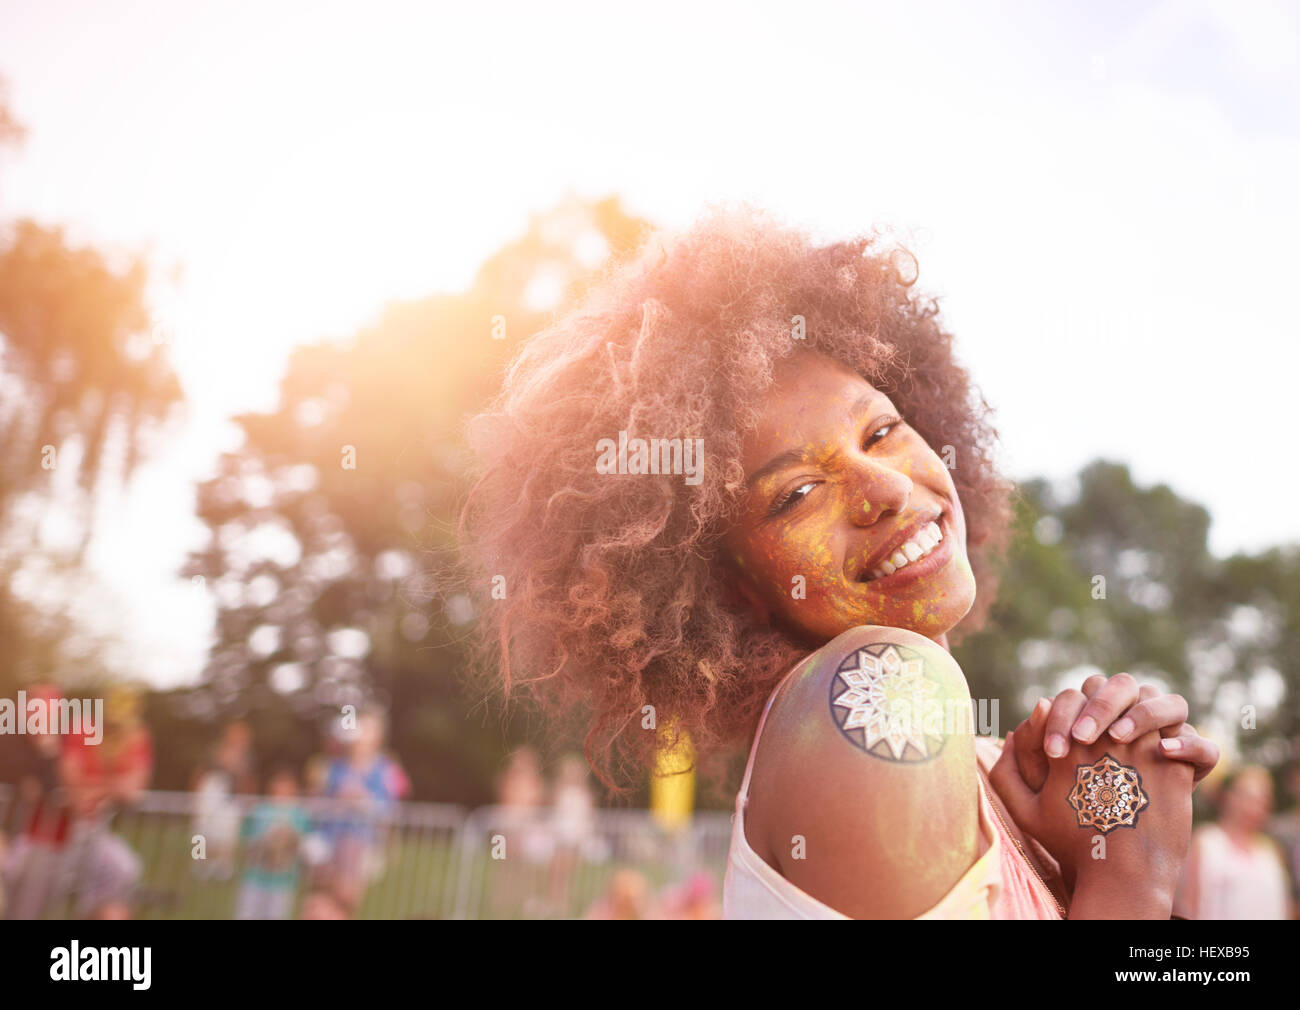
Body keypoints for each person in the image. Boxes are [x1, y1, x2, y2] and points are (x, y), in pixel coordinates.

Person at [458, 207, 1221, 918]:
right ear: (733, 590)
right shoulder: (882, 700)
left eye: (882, 431)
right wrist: (1135, 872)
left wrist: (1079, 846)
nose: (883, 488)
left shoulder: (971, 755)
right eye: (796, 494)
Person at [58, 683, 153, 919]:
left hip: (99, 829)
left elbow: (133, 791)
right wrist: (112, 786)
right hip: (70, 831)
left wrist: (96, 787)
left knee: (121, 872)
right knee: (120, 871)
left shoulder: (135, 735)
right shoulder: (82, 729)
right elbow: (73, 785)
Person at [315, 709, 409, 916]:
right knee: (325, 897)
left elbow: (388, 808)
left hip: (362, 840)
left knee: (348, 898)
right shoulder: (338, 766)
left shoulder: (384, 770)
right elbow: (324, 799)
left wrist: (364, 801)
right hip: (332, 838)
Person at [1176, 764, 1289, 919]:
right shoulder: (1206, 841)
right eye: (1248, 796)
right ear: (1227, 796)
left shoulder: (1271, 850)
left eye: (1263, 798)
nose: (1256, 805)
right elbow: (1187, 906)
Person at [235, 766, 310, 920]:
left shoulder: (299, 815)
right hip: (256, 876)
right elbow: (247, 837)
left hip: (283, 880)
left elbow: (303, 842)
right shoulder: (260, 810)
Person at [191, 720, 254, 882]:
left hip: (230, 801)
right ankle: (199, 863)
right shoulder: (215, 751)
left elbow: (247, 780)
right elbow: (201, 771)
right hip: (210, 794)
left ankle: (223, 867)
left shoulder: (246, 758)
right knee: (201, 832)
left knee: (226, 834)